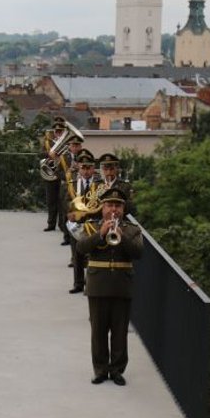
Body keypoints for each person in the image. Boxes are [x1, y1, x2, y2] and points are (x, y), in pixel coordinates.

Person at [74, 188, 143, 385]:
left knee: (120, 331)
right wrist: (101, 234)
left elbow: (138, 253)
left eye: (118, 205)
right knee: (98, 331)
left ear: (123, 208)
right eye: (110, 205)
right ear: (103, 207)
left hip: (122, 285)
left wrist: (123, 237)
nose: (114, 209)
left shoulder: (132, 229)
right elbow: (81, 248)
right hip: (98, 284)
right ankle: (101, 370)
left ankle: (117, 370)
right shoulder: (91, 227)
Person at [65, 152, 102, 295]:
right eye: (83, 168)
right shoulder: (73, 184)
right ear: (79, 168)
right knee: (77, 254)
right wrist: (69, 212)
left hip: (93, 223)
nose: (86, 171)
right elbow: (67, 199)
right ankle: (78, 283)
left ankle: (91, 284)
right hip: (77, 224)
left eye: (89, 168)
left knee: (92, 254)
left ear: (93, 169)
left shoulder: (99, 185)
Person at [41, 117, 67, 232]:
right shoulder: (48, 143)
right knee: (51, 200)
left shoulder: (66, 143)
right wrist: (49, 154)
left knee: (61, 201)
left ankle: (62, 225)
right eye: (57, 131)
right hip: (50, 174)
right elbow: (39, 154)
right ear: (54, 132)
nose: (58, 133)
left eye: (61, 131)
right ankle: (51, 224)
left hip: (62, 175)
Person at [98, 153, 137, 218]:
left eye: (111, 169)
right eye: (106, 169)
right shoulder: (96, 185)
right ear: (102, 170)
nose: (109, 172)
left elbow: (131, 208)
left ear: (117, 169)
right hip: (100, 220)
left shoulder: (125, 186)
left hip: (120, 220)